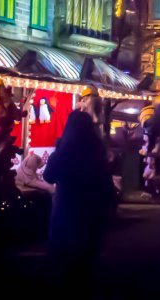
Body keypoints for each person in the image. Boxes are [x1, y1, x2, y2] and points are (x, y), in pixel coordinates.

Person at [45, 110, 116, 281]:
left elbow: (49, 176)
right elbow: (106, 185)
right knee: (85, 267)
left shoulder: (62, 152)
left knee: (63, 266)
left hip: (65, 211)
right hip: (90, 213)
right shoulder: (97, 154)